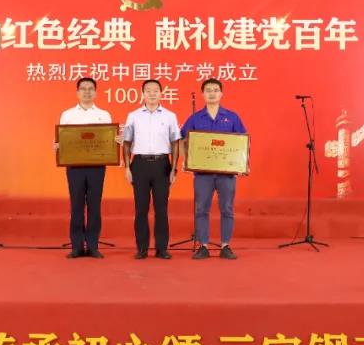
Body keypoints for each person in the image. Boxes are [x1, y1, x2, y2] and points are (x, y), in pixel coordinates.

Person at [181, 78, 247, 260]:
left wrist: (241, 164)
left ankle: (226, 246)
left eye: (215, 90)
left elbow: (242, 142)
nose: (212, 93)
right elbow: (182, 139)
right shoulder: (195, 118)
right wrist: (186, 160)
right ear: (203, 94)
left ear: (221, 93)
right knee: (201, 209)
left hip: (226, 174)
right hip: (203, 174)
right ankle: (203, 246)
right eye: (208, 90)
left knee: (227, 209)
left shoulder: (232, 117)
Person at [122, 80, 181, 260]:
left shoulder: (170, 116)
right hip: (139, 164)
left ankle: (162, 248)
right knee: (141, 209)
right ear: (142, 94)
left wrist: (174, 168)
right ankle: (142, 248)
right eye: (148, 91)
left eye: (156, 91)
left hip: (162, 164)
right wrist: (127, 167)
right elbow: (126, 142)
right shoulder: (133, 116)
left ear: (161, 93)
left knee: (161, 209)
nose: (152, 94)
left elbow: (175, 143)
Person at [58, 78, 113, 259]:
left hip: (97, 166)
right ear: (77, 92)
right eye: (83, 89)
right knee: (76, 205)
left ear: (95, 92)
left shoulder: (104, 115)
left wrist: (115, 142)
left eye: (90, 89)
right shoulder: (67, 115)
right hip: (75, 166)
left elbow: (107, 140)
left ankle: (93, 245)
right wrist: (58, 145)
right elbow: (62, 139)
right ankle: (77, 246)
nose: (87, 92)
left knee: (94, 206)